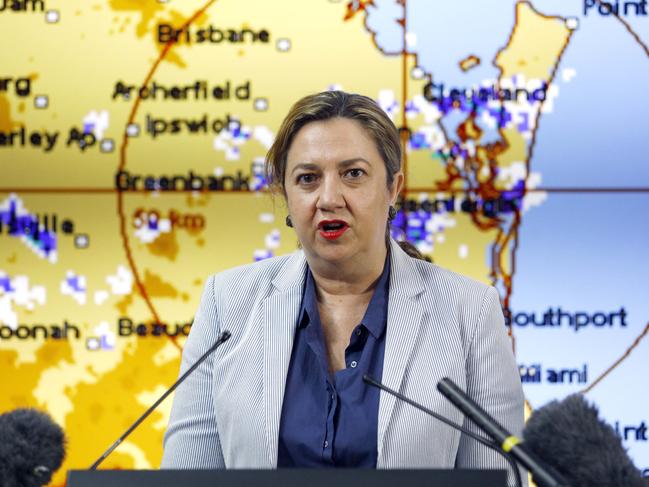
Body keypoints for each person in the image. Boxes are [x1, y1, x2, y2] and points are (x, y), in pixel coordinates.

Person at [161, 91, 526, 486]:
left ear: (393, 188)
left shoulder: (469, 312)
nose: (329, 199)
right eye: (308, 179)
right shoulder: (227, 304)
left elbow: (499, 481)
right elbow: (186, 479)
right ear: (286, 195)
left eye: (353, 174)